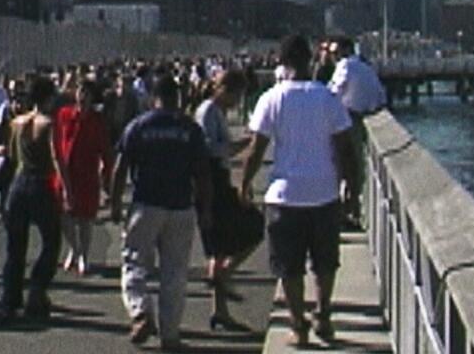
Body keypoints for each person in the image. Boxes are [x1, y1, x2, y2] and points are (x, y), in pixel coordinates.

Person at [240, 34, 355, 347]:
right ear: (311, 61)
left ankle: (298, 323)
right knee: (325, 261)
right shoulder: (327, 98)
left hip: (284, 195)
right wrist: (352, 190)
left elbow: (256, 149)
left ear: (281, 61)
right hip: (324, 192)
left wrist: (245, 183)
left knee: (288, 266)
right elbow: (346, 148)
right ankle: (324, 315)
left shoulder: (272, 98)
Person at [110, 75, 212, 351]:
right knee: (175, 272)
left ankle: (141, 311)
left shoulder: (139, 126)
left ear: (153, 98)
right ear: (178, 98)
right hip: (181, 206)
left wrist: (115, 202)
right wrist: (205, 209)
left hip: (146, 203)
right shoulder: (190, 129)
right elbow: (203, 173)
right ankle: (170, 333)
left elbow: (120, 167)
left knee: (134, 262)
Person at [0, 75, 70, 325]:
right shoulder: (48, 124)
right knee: (51, 240)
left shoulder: (17, 123)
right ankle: (37, 287)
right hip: (41, 184)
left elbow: (9, 155)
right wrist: (66, 188)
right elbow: (57, 158)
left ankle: (9, 299)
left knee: (15, 247)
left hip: (18, 183)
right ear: (49, 97)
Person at [196, 68, 262, 331]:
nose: (238, 101)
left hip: (217, 180)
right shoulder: (208, 112)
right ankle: (224, 275)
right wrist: (243, 144)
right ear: (225, 90)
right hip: (210, 183)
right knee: (253, 225)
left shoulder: (215, 112)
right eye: (237, 94)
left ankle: (220, 309)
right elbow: (208, 149)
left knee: (218, 247)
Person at [54, 78, 113, 276]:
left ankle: (84, 256)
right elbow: (57, 142)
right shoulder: (64, 115)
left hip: (87, 173)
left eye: (87, 93)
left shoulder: (97, 120)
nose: (83, 97)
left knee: (85, 219)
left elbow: (105, 148)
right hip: (66, 173)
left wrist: (106, 175)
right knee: (64, 217)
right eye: (80, 92)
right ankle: (74, 248)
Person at [326, 37, 387, 228]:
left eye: (335, 53)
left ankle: (341, 213)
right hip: (364, 118)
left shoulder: (345, 65)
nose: (332, 57)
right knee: (355, 169)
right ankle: (352, 210)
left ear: (346, 51)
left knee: (339, 167)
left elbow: (334, 92)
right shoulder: (366, 68)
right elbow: (380, 96)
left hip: (347, 119)